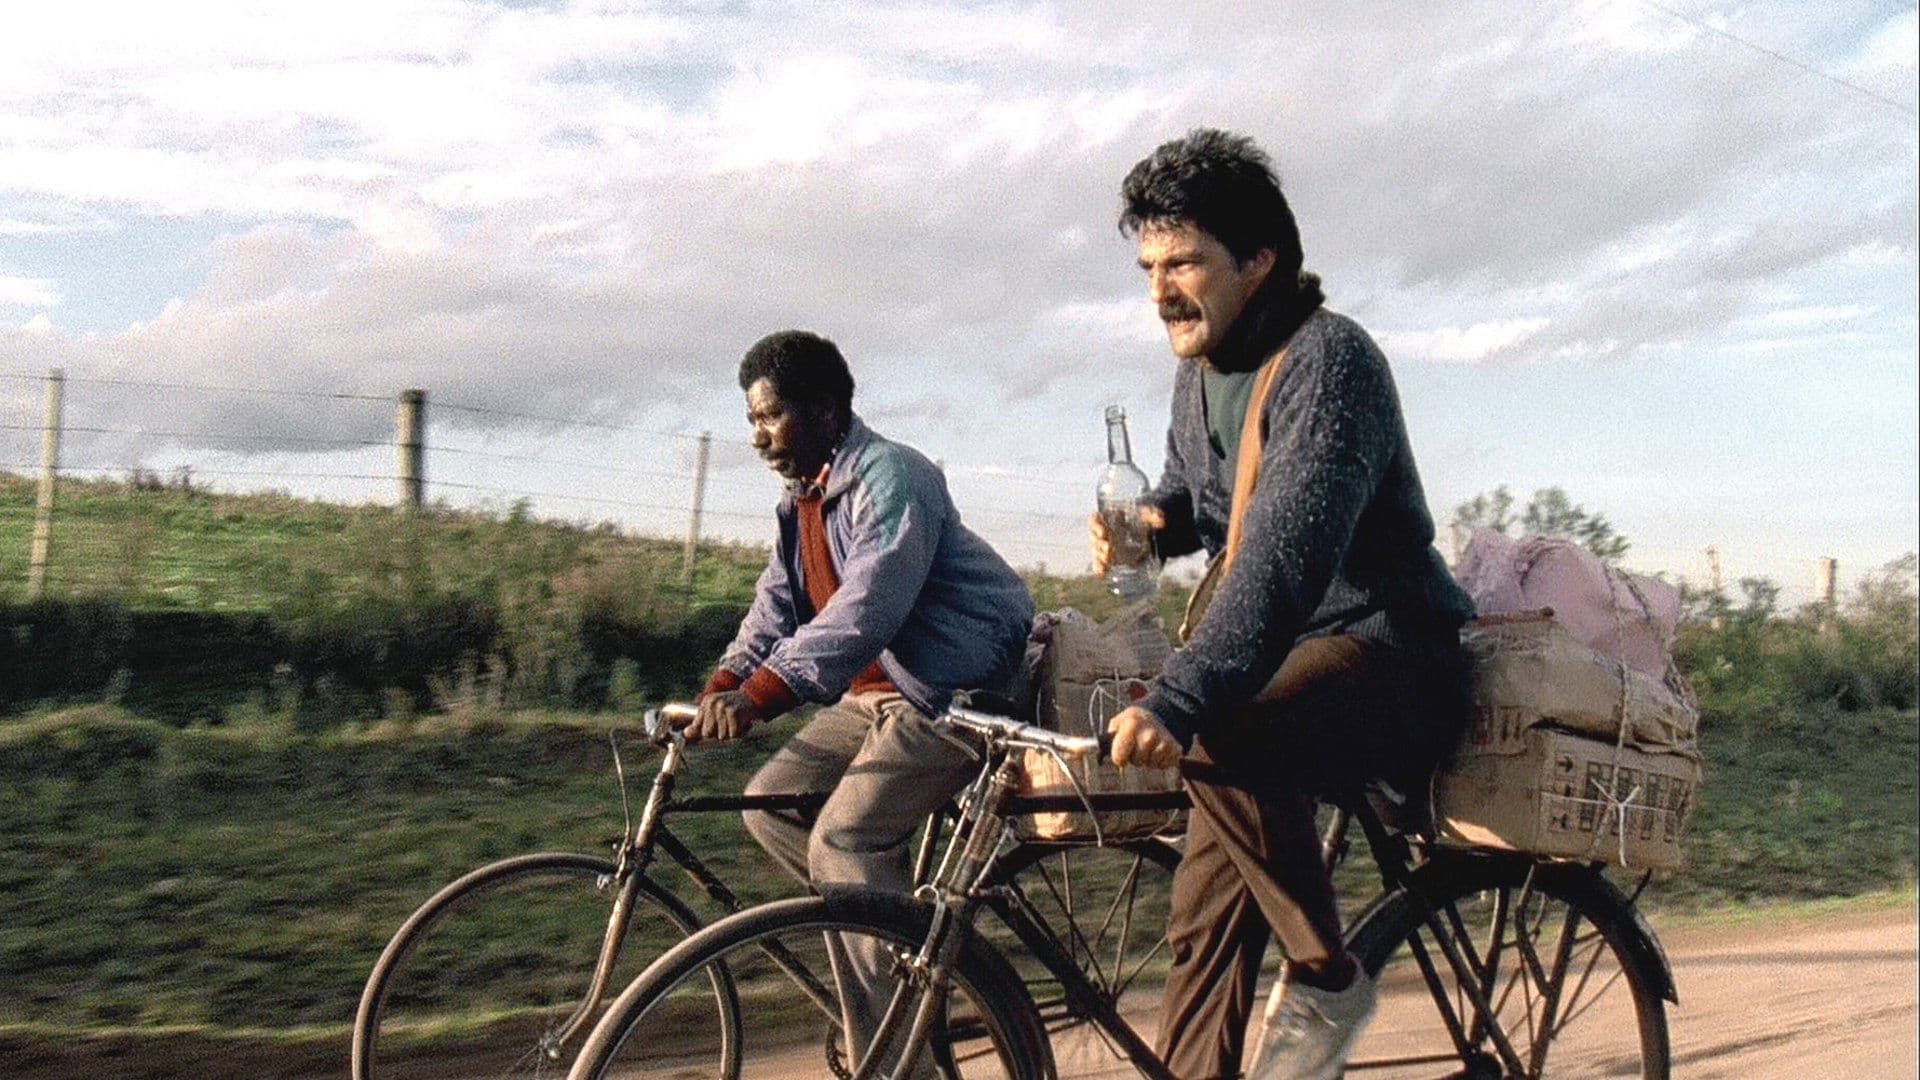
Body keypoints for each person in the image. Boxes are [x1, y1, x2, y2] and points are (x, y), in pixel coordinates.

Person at [1092, 130, 1476, 1080]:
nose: (1159, 290)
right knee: (1202, 922)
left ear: (1259, 259)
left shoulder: (1330, 363)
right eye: (1149, 265)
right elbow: (1201, 502)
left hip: (1390, 652)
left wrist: (1181, 698)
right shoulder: (1203, 368)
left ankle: (1328, 975)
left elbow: (1283, 562)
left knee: (1222, 733)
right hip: (1291, 659)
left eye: (1182, 261)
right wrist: (1151, 524)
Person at [689, 329, 1035, 1073]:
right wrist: (719, 686)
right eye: (751, 421)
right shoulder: (804, 500)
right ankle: (905, 954)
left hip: (953, 694)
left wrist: (760, 697)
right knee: (773, 804)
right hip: (880, 697)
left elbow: (865, 611)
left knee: (841, 844)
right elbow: (775, 608)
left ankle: (897, 1058)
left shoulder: (892, 477)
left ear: (826, 408)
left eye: (770, 416)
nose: (758, 437)